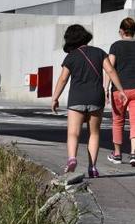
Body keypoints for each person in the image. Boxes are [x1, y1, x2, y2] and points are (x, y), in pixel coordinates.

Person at [51, 24, 128, 178]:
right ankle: (92, 167)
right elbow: (111, 70)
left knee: (73, 133)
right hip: (96, 97)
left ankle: (72, 158)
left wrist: (55, 97)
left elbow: (63, 78)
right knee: (94, 133)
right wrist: (120, 90)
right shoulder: (99, 53)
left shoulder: (71, 56)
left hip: (77, 98)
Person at [106, 17, 135, 167]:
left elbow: (110, 68)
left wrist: (106, 87)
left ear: (121, 31)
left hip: (119, 90)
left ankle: (117, 154)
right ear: (134, 31)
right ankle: (134, 154)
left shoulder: (115, 46)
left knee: (118, 121)